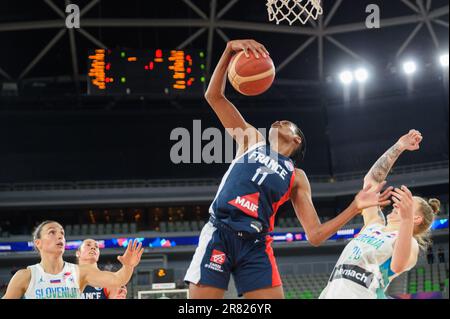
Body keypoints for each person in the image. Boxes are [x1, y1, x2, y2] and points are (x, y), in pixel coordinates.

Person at [184, 39, 389, 299]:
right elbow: (214, 96)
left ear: (297, 140)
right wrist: (228, 51)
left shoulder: (297, 176)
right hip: (220, 232)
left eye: (288, 123)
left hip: (256, 245)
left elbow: (315, 235)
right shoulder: (251, 140)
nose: (279, 120)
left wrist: (355, 207)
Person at [320, 130, 441, 299]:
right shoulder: (373, 223)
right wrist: (399, 147)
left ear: (416, 218)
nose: (400, 202)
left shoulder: (409, 243)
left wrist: (406, 220)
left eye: (408, 202)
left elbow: (398, 265)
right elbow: (371, 181)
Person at [2, 221, 143, 299]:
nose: (59, 236)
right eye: (52, 232)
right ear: (38, 243)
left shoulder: (80, 272)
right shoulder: (25, 276)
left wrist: (129, 266)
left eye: (62, 233)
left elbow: (118, 279)